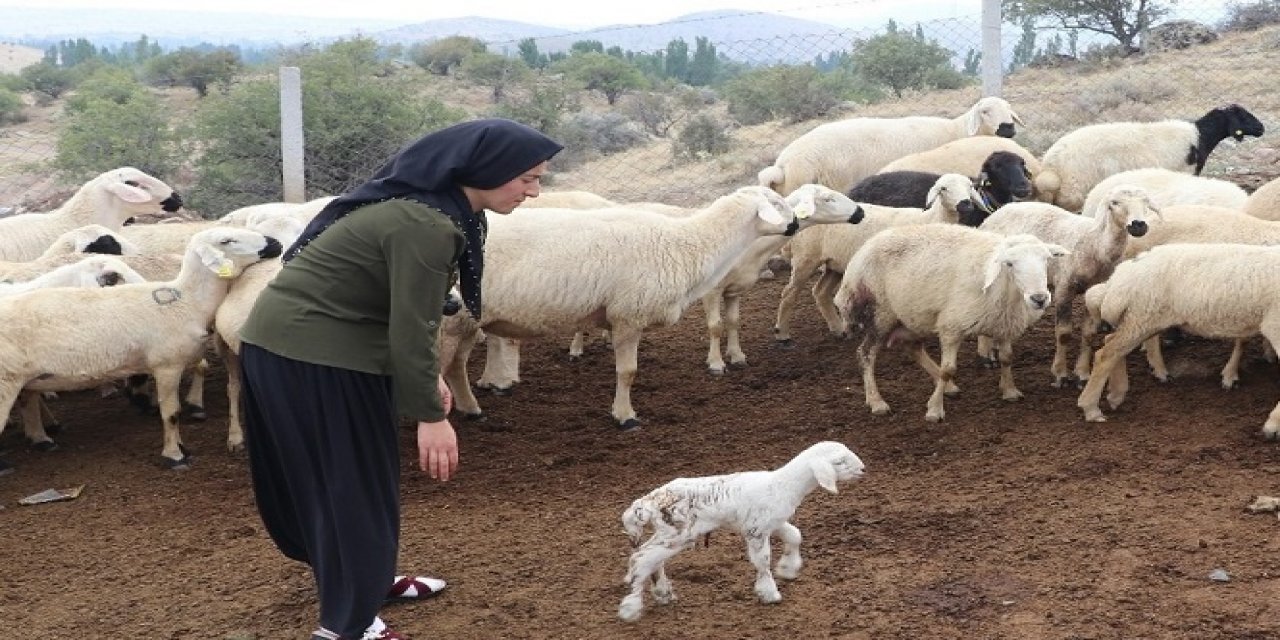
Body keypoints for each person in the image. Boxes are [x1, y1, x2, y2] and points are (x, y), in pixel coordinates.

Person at [237, 118, 563, 640]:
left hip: (298, 347)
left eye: (539, 178)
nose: (534, 190)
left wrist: (424, 379)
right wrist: (431, 417)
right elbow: (415, 327)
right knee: (353, 482)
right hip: (314, 357)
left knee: (342, 479)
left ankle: (360, 580)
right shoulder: (426, 225)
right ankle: (348, 624)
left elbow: (405, 311)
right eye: (525, 178)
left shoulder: (434, 211)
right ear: (484, 170)